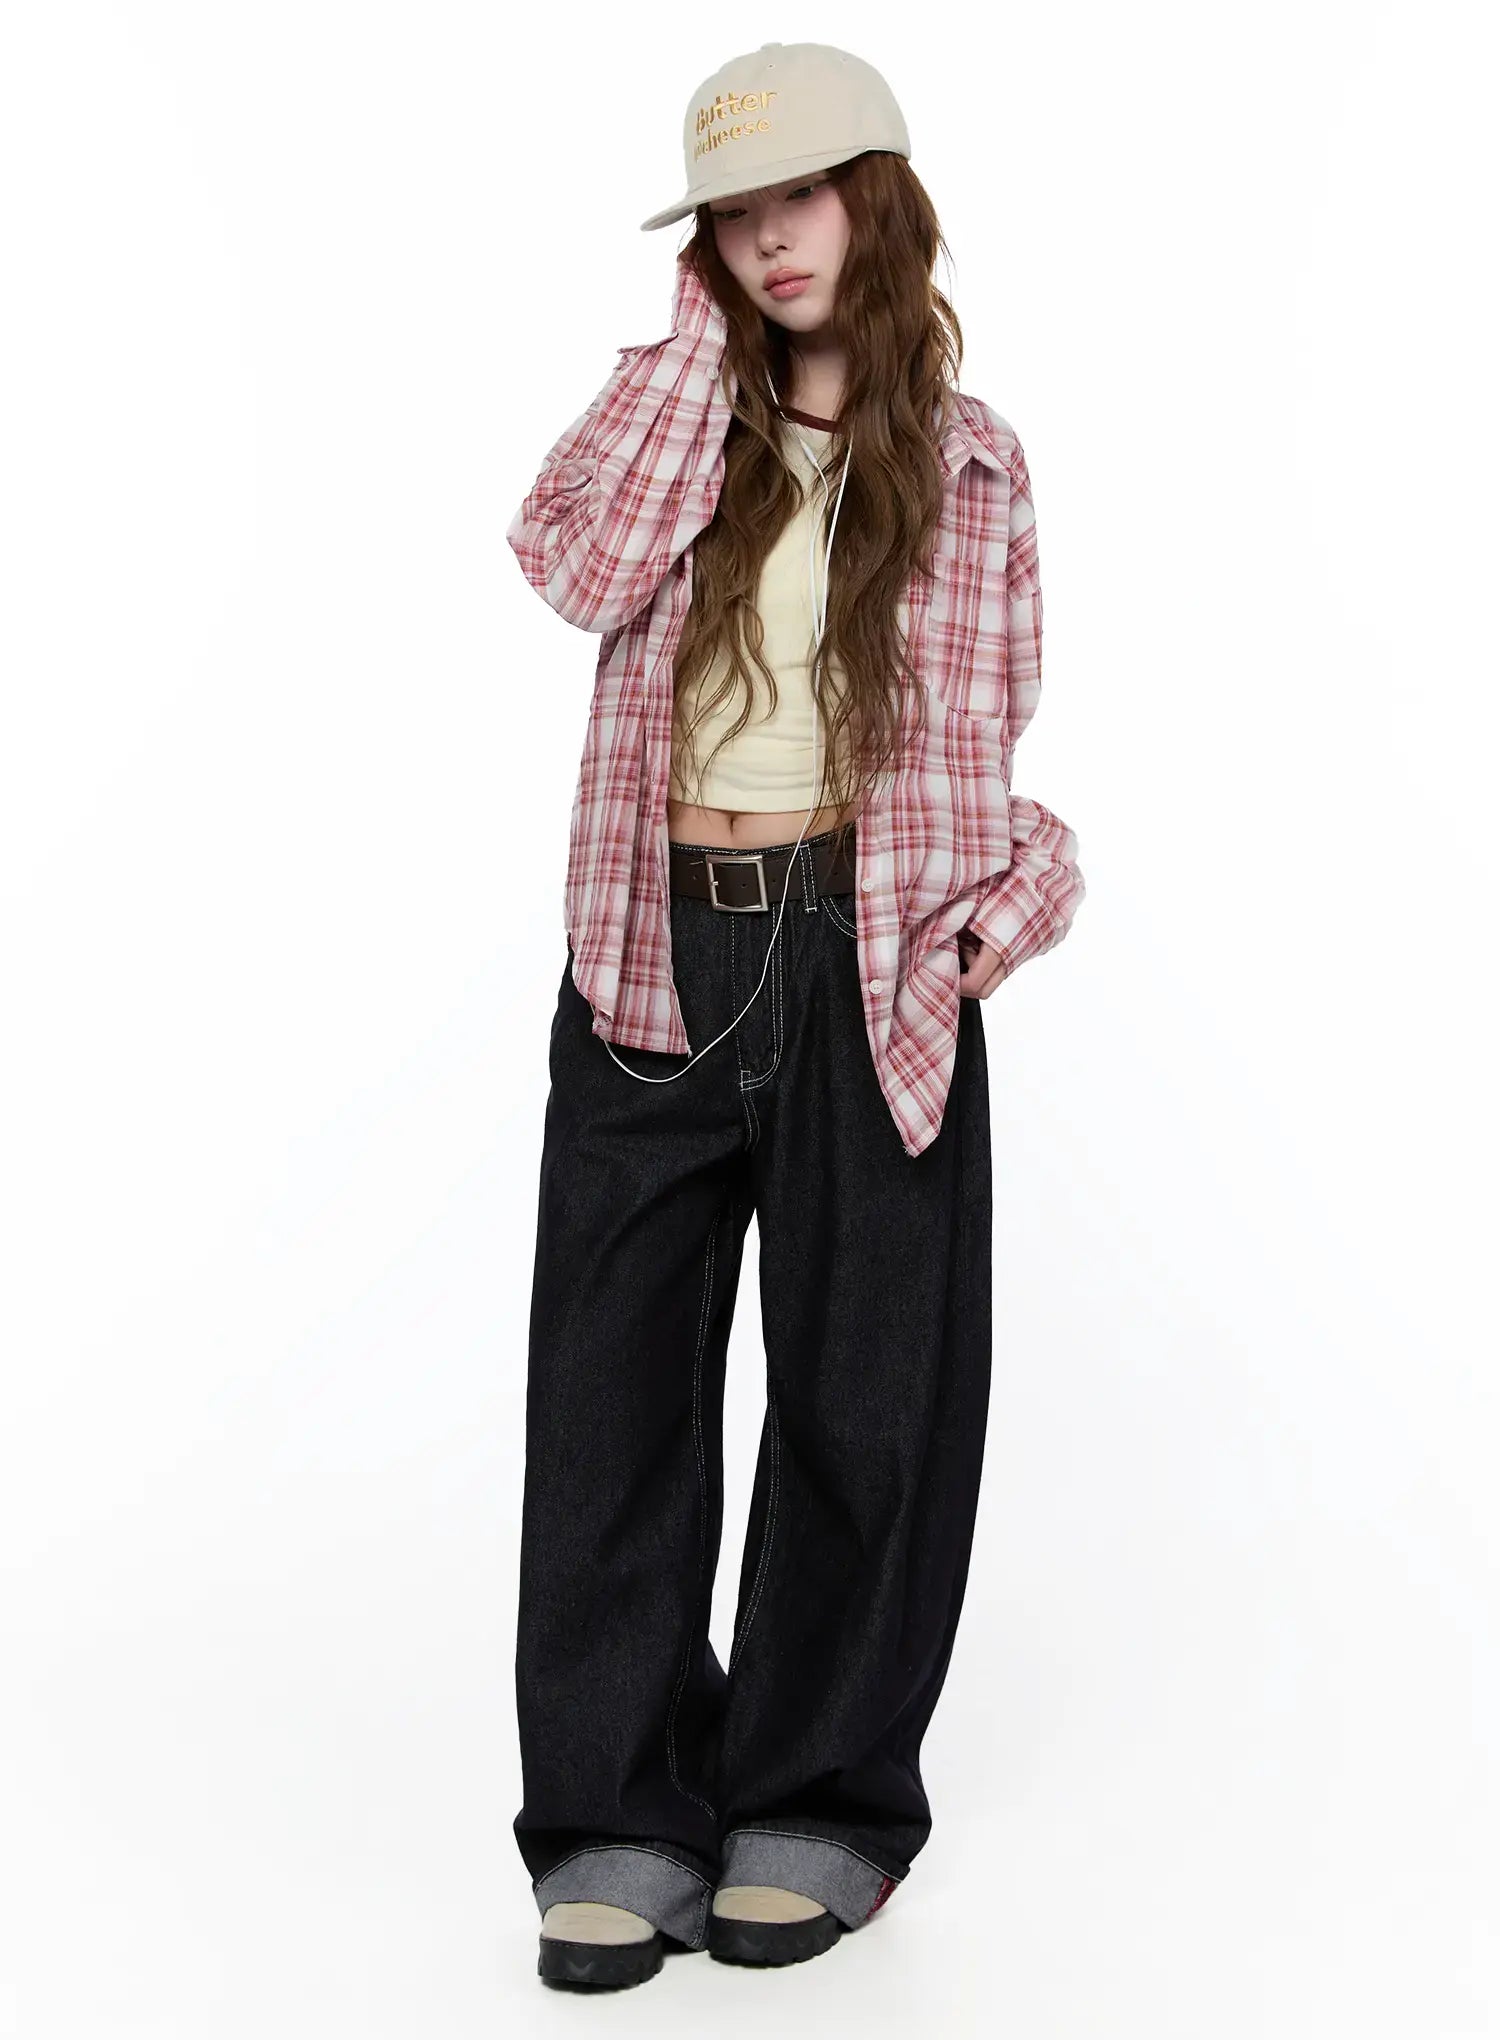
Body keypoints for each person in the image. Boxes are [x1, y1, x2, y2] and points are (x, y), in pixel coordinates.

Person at [504, 40, 1086, 1992]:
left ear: (878, 200)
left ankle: (817, 1798)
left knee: (867, 1396)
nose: (769, 241)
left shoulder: (976, 461)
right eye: (733, 216)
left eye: (801, 197)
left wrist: (1013, 903)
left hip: (872, 950)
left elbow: (990, 752)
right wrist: (696, 361)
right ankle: (615, 1815)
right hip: (653, 940)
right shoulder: (666, 416)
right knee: (612, 1397)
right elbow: (572, 569)